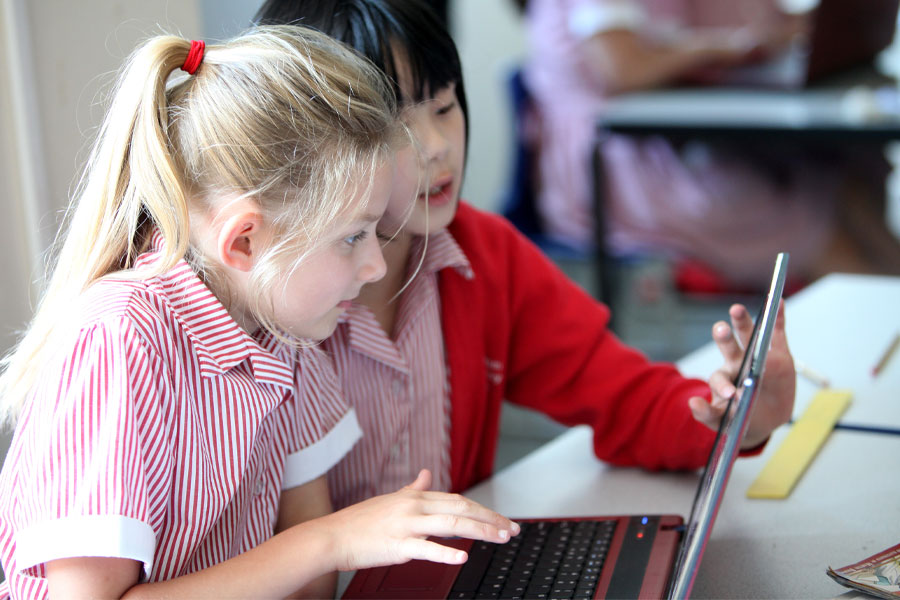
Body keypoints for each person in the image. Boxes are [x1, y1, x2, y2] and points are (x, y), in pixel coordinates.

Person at [0, 25, 520, 599]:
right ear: (244, 242)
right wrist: (335, 540)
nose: (375, 265)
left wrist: (327, 543)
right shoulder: (119, 339)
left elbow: (310, 581)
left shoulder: (285, 333)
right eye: (352, 238)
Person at [254, 0, 797, 511]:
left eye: (444, 107)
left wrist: (736, 418)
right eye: (395, 127)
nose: (437, 146)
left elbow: (625, 399)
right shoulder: (260, 299)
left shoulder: (483, 256)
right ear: (306, 142)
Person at [520, 0, 900, 288]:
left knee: (843, 178)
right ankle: (874, 319)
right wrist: (721, 47)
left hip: (686, 142)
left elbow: (769, 25)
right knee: (799, 214)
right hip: (623, 163)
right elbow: (624, 68)